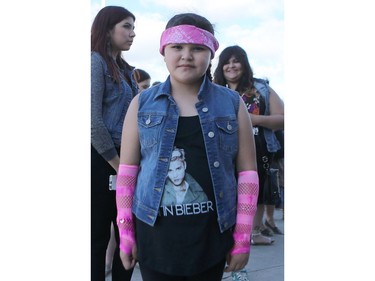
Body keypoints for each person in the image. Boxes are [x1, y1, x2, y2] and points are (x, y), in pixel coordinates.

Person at [116, 13, 259, 281]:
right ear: (163, 52)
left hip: (211, 238)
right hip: (155, 239)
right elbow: (127, 173)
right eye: (177, 47)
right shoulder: (141, 104)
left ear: (211, 54)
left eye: (197, 48)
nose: (186, 55)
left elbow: (248, 173)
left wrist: (242, 237)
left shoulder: (232, 104)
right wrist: (126, 234)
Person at [213, 45, 284, 245]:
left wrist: (254, 120)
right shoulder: (213, 89)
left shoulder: (261, 88)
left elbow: (283, 118)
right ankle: (225, 228)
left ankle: (253, 232)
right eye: (227, 62)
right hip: (221, 148)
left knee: (255, 189)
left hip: (258, 147)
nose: (231, 66)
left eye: (236, 61)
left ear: (244, 64)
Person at [91, 6, 138, 281]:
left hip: (127, 159)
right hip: (102, 159)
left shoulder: (127, 70)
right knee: (97, 237)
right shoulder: (95, 62)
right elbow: (92, 121)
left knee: (128, 235)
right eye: (127, 26)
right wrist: (119, 165)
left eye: (133, 27)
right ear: (108, 29)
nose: (133, 33)